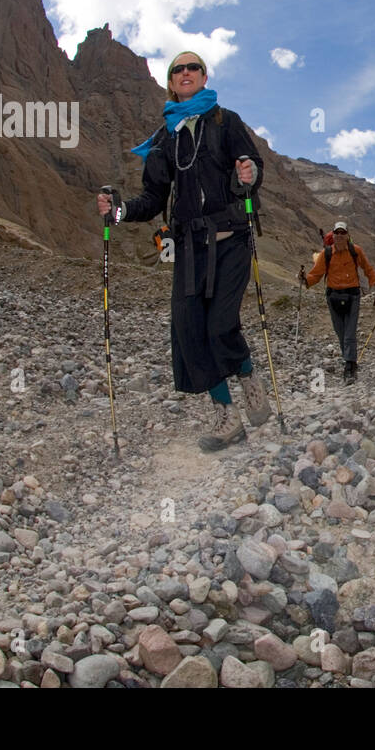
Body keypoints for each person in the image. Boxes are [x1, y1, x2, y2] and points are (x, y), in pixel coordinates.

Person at [96, 50, 271, 452]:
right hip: (189, 247)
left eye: (194, 67)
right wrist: (118, 211)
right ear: (171, 82)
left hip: (231, 240)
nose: (186, 73)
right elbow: (154, 197)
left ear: (204, 78)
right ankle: (227, 416)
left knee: (220, 325)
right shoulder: (164, 138)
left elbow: (253, 167)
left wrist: (249, 172)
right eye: (178, 69)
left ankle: (248, 376)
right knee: (191, 331)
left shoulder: (226, 121)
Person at [299, 220, 375, 384]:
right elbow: (316, 274)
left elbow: (367, 268)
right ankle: (351, 360)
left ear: (348, 236)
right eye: (337, 233)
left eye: (343, 233)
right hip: (333, 296)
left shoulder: (355, 251)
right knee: (340, 332)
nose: (340, 236)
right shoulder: (326, 254)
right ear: (333, 235)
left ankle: (349, 366)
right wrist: (305, 280)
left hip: (353, 295)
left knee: (349, 333)